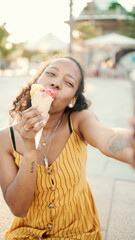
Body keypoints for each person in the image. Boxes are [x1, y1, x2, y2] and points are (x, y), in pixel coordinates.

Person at [0, 55, 135, 240]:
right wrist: (30, 150)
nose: (56, 83)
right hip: (26, 234)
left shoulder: (80, 121)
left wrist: (131, 144)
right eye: (51, 74)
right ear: (36, 83)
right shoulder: (5, 139)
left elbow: (107, 137)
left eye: (68, 83)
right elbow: (19, 208)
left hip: (79, 233)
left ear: (72, 100)